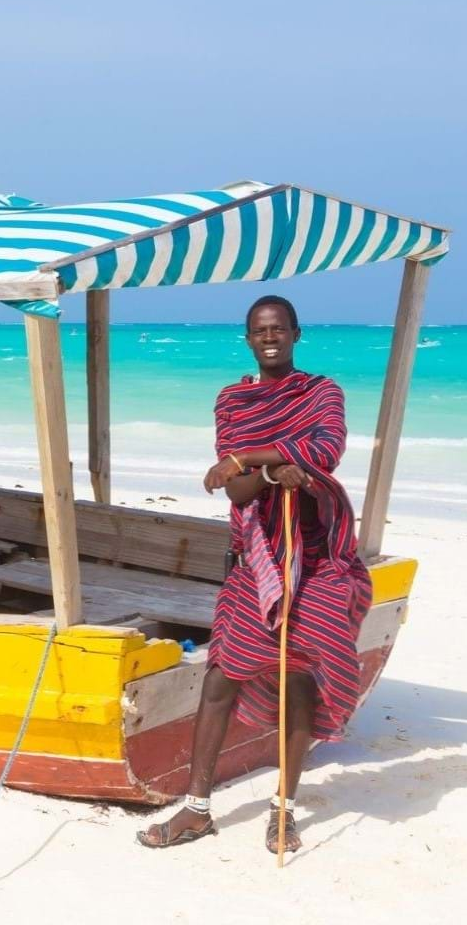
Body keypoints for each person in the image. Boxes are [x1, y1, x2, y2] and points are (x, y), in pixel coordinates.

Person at [138, 295, 372, 855]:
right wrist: (271, 470)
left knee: (300, 679)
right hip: (258, 560)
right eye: (259, 331)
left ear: (296, 333)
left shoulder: (322, 392)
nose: (270, 338)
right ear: (248, 339)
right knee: (220, 680)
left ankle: (284, 810)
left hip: (315, 562)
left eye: (279, 329)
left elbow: (326, 452)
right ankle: (196, 810)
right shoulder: (233, 399)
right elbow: (238, 490)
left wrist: (247, 460)